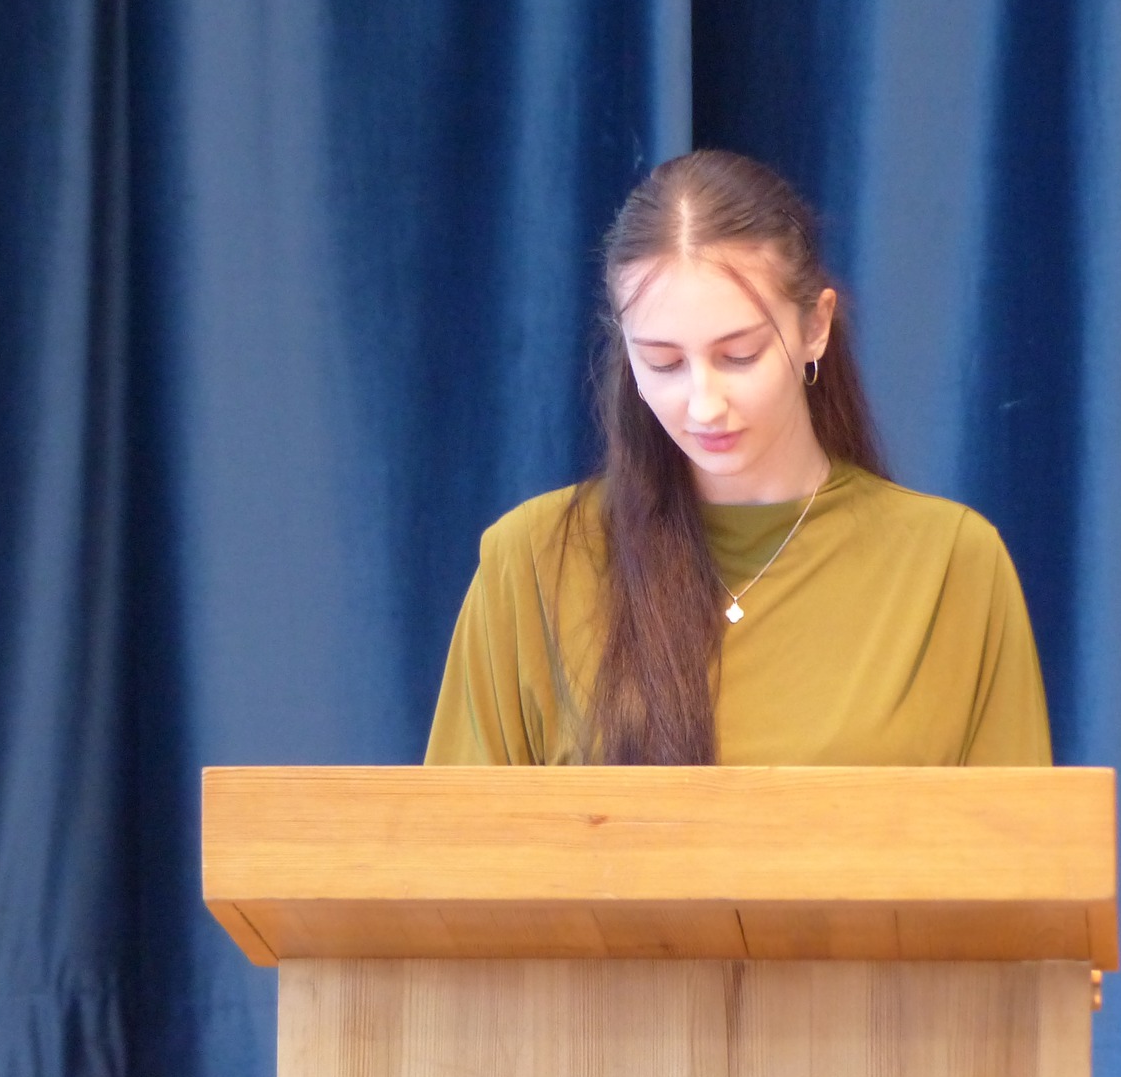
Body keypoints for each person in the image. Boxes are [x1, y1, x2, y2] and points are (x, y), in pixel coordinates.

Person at [424, 149, 1051, 766]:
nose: (704, 405)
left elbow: (1017, 831)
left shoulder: (951, 565)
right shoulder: (533, 564)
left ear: (815, 327)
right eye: (663, 363)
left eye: (740, 356)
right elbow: (455, 830)